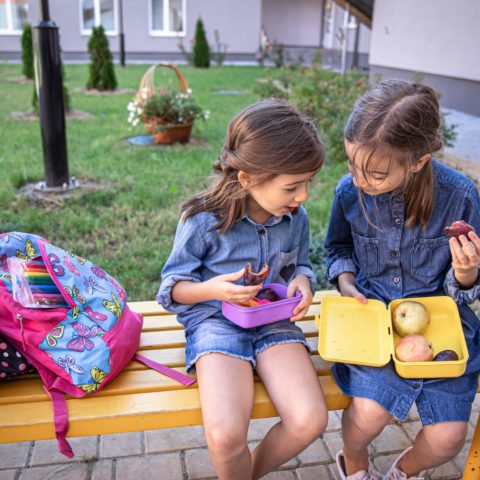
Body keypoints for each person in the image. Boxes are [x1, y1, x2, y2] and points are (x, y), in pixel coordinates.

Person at [158, 98, 328, 480]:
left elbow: (300, 265)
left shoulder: (294, 218)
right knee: (225, 435)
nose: (303, 197)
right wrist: (213, 290)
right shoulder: (202, 221)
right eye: (292, 187)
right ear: (248, 178)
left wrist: (303, 280)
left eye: (307, 184)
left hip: (274, 323)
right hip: (215, 324)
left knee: (310, 419)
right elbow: (173, 288)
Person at [324, 78, 480, 480]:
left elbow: (464, 288)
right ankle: (355, 464)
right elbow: (338, 250)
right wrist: (345, 281)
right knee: (369, 412)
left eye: (374, 173)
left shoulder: (460, 197)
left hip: (441, 327)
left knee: (448, 438)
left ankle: (403, 472)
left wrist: (465, 276)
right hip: (371, 318)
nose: (359, 180)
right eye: (351, 164)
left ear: (418, 161)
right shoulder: (348, 192)